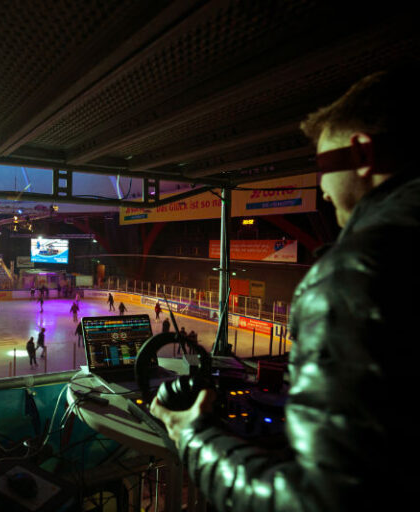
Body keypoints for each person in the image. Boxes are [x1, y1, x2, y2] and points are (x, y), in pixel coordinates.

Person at [149, 70, 420, 511]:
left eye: (322, 168)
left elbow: (320, 501)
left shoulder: (361, 268)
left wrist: (190, 436)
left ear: (362, 153)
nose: (323, 193)